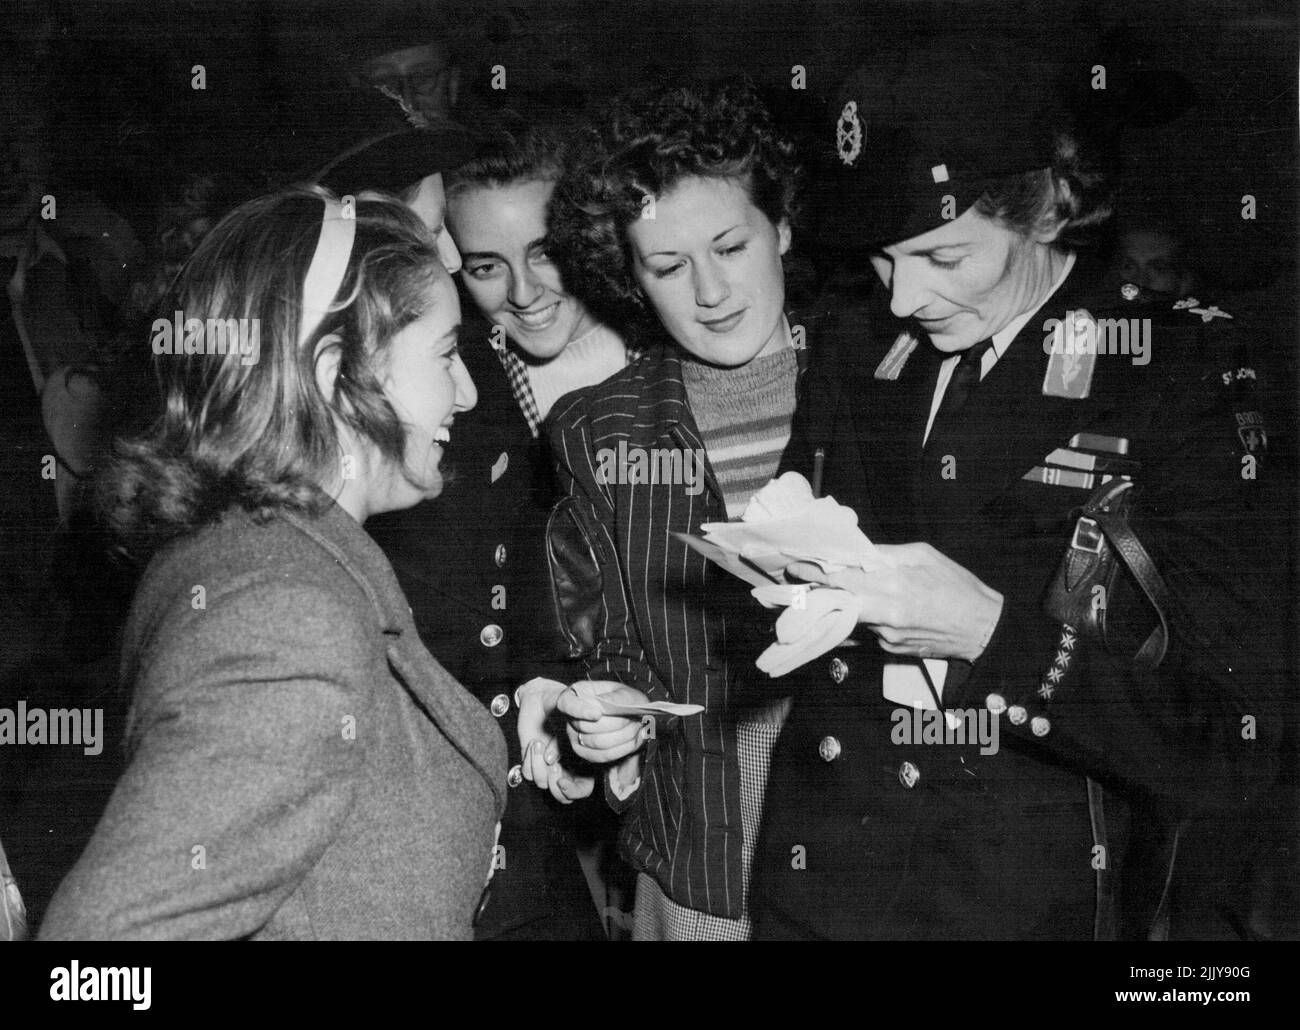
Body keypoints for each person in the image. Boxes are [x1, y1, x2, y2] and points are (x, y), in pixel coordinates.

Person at [750, 50, 1288, 940]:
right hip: (823, 869)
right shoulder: (853, 347)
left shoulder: (1174, 373)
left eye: (943, 255)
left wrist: (993, 635)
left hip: (1020, 886)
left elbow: (1230, 743)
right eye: (883, 260)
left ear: (1047, 208)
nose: (904, 299)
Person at [39, 186, 505, 939]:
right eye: (447, 354)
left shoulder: (259, 550)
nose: (468, 392)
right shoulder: (287, 617)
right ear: (333, 373)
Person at [531, 79, 807, 939]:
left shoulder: (879, 386)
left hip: (876, 854)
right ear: (630, 276)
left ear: (783, 231)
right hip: (700, 861)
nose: (711, 291)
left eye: (731, 245)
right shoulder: (597, 429)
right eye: (668, 266)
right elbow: (608, 643)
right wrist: (604, 717)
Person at [362, 123, 624, 939]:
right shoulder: (456, 390)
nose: (523, 290)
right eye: (482, 265)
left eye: (548, 252)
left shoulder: (666, 360)